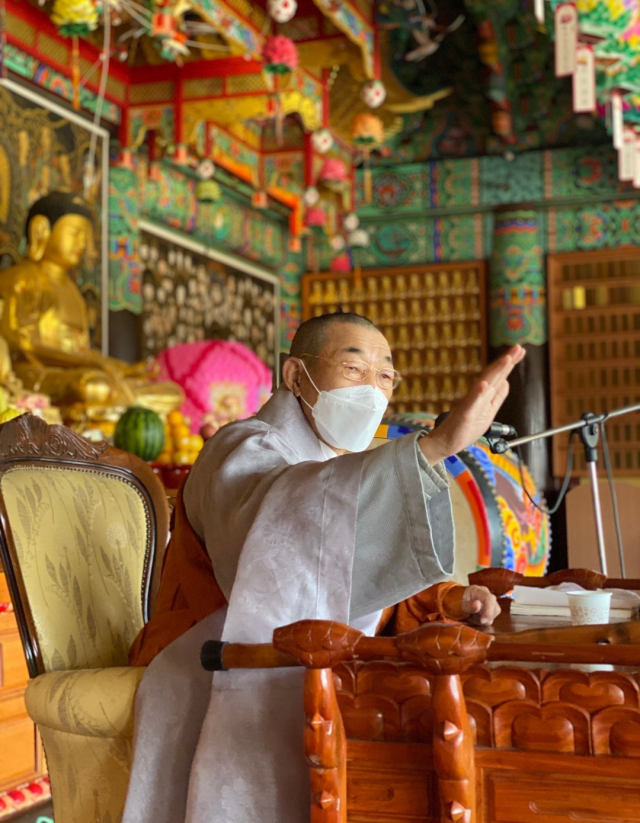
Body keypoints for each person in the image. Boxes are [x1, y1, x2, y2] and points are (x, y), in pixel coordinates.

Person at [123, 312, 524, 823]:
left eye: (385, 377)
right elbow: (283, 535)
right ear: (295, 376)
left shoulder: (342, 462)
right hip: (200, 650)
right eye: (354, 369)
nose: (373, 391)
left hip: (304, 648)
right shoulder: (243, 446)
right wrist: (436, 447)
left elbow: (350, 569)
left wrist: (447, 600)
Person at [0, 191, 182, 414]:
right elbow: (22, 346)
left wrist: (128, 369)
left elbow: (83, 351)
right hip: (35, 373)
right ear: (42, 230)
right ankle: (108, 410)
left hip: (80, 370)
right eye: (75, 233)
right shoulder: (22, 279)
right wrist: (90, 364)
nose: (83, 243)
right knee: (93, 386)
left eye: (85, 236)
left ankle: (113, 410)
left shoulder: (72, 291)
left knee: (172, 392)